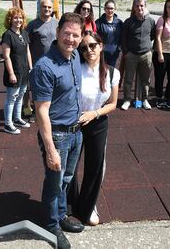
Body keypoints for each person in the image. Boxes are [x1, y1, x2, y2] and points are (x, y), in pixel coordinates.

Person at [29, 12, 85, 249]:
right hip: (58, 135)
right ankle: (51, 226)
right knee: (54, 183)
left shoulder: (75, 57)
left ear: (81, 38)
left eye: (75, 35)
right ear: (57, 32)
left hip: (76, 131)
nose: (70, 39)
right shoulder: (45, 66)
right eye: (66, 34)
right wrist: (50, 148)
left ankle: (61, 216)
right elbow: (41, 111)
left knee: (67, 179)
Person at [68, 31, 119, 226]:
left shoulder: (112, 72)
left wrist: (94, 114)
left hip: (97, 122)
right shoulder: (76, 69)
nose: (88, 50)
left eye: (92, 46)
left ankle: (89, 205)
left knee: (95, 166)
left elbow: (113, 103)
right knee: (70, 166)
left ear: (101, 46)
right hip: (75, 121)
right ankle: (70, 206)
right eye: (84, 48)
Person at [24, 0, 58, 122]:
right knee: (36, 89)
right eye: (45, 7)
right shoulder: (33, 25)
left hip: (54, 62)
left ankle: (49, 111)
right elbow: (25, 42)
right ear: (40, 8)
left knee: (52, 88)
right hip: (37, 63)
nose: (47, 9)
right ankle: (33, 111)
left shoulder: (57, 23)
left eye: (49, 7)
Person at [120, 0, 156, 110]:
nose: (139, 8)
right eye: (137, 6)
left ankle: (145, 99)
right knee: (128, 79)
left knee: (146, 79)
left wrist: (147, 47)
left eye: (142, 5)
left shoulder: (151, 21)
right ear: (134, 8)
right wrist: (126, 52)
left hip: (146, 54)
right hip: (131, 55)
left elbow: (153, 35)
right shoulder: (128, 22)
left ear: (145, 7)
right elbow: (123, 38)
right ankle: (127, 100)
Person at [1, 7, 32, 135]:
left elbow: (28, 51)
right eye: (15, 18)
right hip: (14, 72)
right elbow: (6, 56)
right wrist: (11, 73)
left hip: (24, 71)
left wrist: (31, 68)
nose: (18, 20)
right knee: (11, 98)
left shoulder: (24, 33)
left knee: (20, 96)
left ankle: (17, 118)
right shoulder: (7, 35)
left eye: (20, 18)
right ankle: (8, 124)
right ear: (10, 19)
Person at [95, 0, 123, 67]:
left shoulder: (119, 23)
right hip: (101, 54)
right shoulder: (98, 22)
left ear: (115, 9)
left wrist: (119, 49)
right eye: (107, 8)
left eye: (111, 8)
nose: (109, 10)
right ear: (104, 9)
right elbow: (95, 38)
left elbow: (122, 37)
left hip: (114, 54)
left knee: (111, 74)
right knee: (101, 73)